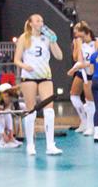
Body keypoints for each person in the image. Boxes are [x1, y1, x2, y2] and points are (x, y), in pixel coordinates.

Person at [13, 13, 63, 156]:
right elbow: (16, 59)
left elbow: (59, 56)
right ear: (30, 23)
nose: (40, 22)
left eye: (42, 20)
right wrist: (25, 66)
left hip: (45, 76)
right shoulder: (24, 38)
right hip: (29, 77)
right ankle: (30, 145)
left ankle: (50, 145)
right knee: (31, 110)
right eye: (37, 20)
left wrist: (53, 40)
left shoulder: (46, 38)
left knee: (49, 110)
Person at [67, 21, 96, 135]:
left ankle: (91, 125)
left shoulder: (96, 42)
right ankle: (84, 121)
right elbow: (76, 58)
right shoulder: (78, 42)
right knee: (73, 95)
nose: (76, 35)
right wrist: (77, 46)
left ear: (84, 31)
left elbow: (97, 59)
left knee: (90, 99)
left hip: (92, 72)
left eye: (78, 33)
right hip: (81, 70)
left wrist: (85, 65)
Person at [0, 83, 23, 149]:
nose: (10, 102)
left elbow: (6, 112)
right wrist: (3, 134)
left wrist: (11, 133)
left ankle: (11, 138)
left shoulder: (4, 96)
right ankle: (3, 141)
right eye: (10, 100)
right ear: (6, 95)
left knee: (7, 112)